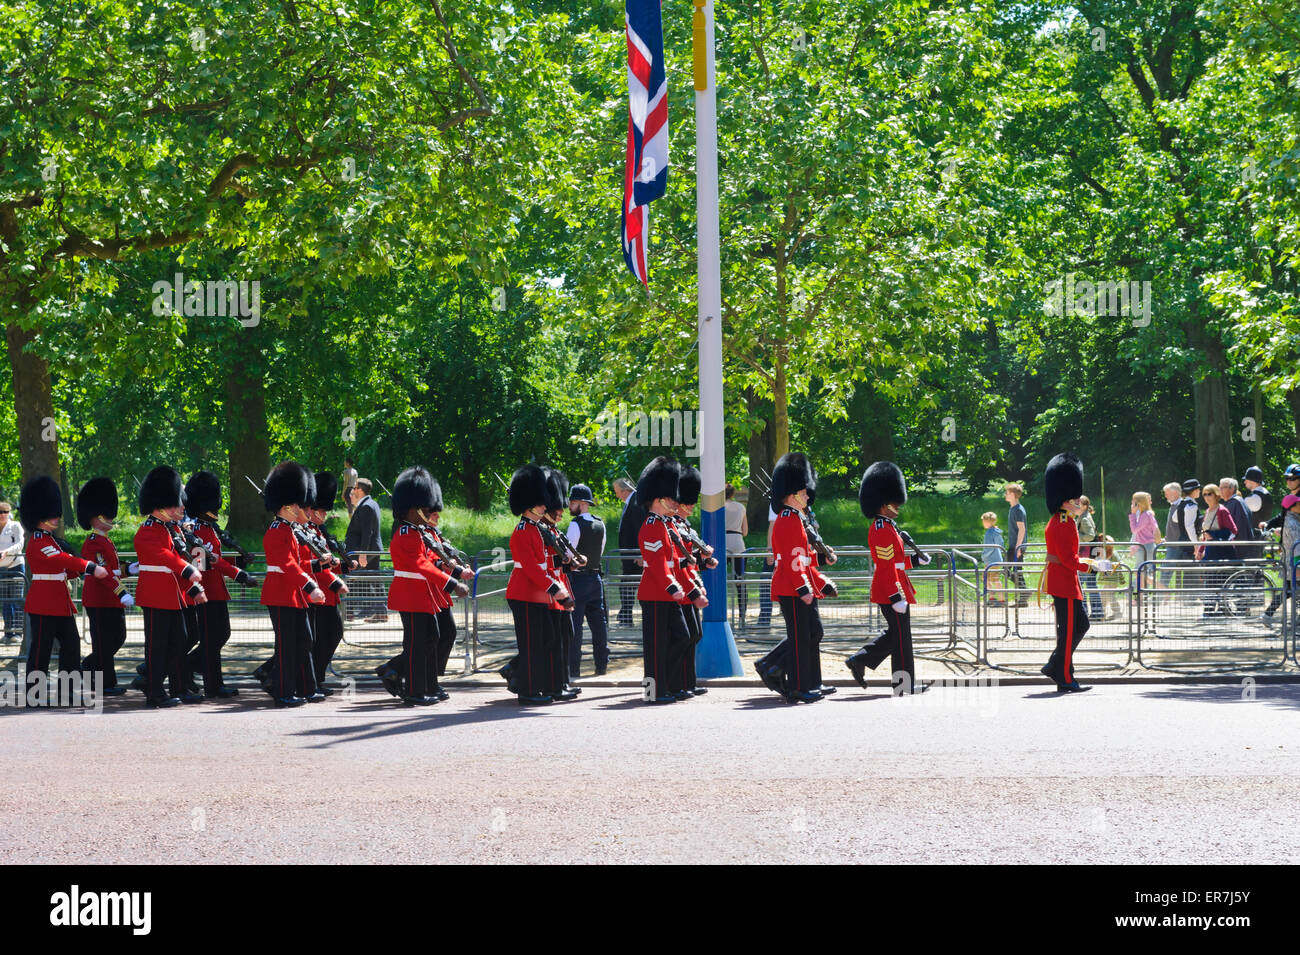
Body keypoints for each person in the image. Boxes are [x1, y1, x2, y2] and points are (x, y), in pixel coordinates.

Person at [19, 475, 111, 704]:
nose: (57, 517)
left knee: (71, 645)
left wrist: (76, 569)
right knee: (41, 650)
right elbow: (60, 559)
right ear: (41, 515)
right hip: (43, 602)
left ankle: (67, 691)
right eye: (53, 513)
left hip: (59, 602)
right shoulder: (38, 541)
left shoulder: (50, 539)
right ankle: (34, 694)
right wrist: (88, 566)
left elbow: (63, 566)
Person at [846, 461, 929, 694]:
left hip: (894, 588)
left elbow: (896, 562)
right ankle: (903, 685)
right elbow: (884, 567)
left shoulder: (889, 526)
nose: (898, 507)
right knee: (901, 640)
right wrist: (895, 597)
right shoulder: (882, 528)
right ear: (883, 504)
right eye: (894, 503)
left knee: (898, 636)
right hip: (890, 591)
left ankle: (862, 660)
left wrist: (915, 561)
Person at [386, 466, 465, 705]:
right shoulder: (406, 533)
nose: (430, 513)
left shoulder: (417, 532)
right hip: (411, 595)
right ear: (413, 509)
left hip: (423, 595)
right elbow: (422, 565)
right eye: (425, 508)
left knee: (432, 639)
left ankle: (428, 685)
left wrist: (454, 570)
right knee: (417, 645)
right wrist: (452, 583)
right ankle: (414, 690)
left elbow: (430, 562)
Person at [756, 453, 832, 703]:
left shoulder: (796, 519)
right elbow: (790, 560)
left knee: (813, 634)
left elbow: (803, 557)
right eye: (804, 492)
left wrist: (823, 560)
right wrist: (803, 588)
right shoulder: (787, 520)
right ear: (792, 495)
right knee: (801, 640)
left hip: (801, 583)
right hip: (792, 587)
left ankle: (812, 682)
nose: (808, 496)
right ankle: (800, 687)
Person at [133, 466, 208, 707]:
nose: (182, 507)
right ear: (162, 503)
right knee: (157, 647)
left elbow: (178, 557)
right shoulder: (147, 530)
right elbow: (164, 555)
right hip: (155, 595)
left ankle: (177, 687)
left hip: (173, 594)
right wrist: (188, 570)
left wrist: (193, 587)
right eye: (176, 503)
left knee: (180, 640)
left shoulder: (168, 528)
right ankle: (154, 692)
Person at [183, 470, 257, 698]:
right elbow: (204, 562)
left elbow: (215, 558)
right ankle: (211, 684)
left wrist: (239, 560)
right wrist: (239, 573)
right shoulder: (195, 530)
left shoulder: (209, 528)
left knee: (219, 635)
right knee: (212, 638)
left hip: (216, 589)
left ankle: (188, 668)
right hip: (205, 590)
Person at [260, 461, 327, 707]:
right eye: (298, 503)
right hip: (280, 594)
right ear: (288, 505)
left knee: (304, 641)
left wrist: (315, 574)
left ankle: (300, 686)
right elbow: (287, 565)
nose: (302, 508)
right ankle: (283, 692)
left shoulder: (290, 529)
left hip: (292, 593)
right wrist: (312, 587)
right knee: (287, 647)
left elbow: (299, 564)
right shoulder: (277, 530)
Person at [636, 456, 699, 704]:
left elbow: (673, 560)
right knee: (654, 649)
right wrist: (673, 585)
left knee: (682, 638)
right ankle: (652, 692)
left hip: (668, 593)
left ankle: (668, 684)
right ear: (658, 498)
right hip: (655, 593)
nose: (675, 501)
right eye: (670, 498)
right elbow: (657, 563)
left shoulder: (664, 524)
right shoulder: (651, 525)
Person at [503, 464, 567, 704]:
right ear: (528, 503)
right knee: (531, 646)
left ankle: (533, 685)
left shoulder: (536, 529)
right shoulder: (522, 530)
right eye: (540, 502)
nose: (544, 505)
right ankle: (527, 692)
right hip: (524, 593)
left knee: (546, 641)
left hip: (537, 594)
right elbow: (531, 568)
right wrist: (556, 590)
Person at [1038, 452, 1098, 693]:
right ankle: (1063, 675)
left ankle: (1056, 665)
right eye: (1074, 498)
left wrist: (1081, 562)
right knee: (1072, 629)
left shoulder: (1061, 519)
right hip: (1064, 581)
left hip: (1063, 580)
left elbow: (1066, 557)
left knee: (1078, 625)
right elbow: (1069, 560)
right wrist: (1091, 565)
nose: (1077, 502)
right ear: (1064, 500)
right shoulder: (1064, 522)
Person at [76, 477, 134, 696]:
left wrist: (131, 569)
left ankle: (89, 666)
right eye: (106, 515)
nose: (110, 519)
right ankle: (104, 684)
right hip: (100, 598)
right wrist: (122, 592)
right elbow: (103, 574)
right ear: (96, 518)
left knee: (118, 637)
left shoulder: (106, 540)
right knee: (103, 641)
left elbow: (114, 570)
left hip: (111, 597)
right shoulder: (92, 542)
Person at [670, 465, 718, 698]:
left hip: (689, 584)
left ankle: (688, 681)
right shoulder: (672, 526)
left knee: (695, 635)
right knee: (686, 636)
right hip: (681, 588)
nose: (691, 505)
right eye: (687, 501)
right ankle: (678, 682)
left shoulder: (684, 526)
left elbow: (688, 560)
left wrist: (703, 563)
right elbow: (675, 561)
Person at [304, 472, 349, 696]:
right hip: (316, 591)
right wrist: (334, 581)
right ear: (310, 510)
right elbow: (310, 565)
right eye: (321, 510)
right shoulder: (305, 532)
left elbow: (325, 562)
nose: (324, 514)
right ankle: (310, 680)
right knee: (320, 637)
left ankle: (317, 679)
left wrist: (343, 567)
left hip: (325, 591)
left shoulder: (317, 532)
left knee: (324, 637)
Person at [566, 482, 609, 677]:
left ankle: (574, 668)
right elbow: (599, 551)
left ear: (581, 503)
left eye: (572, 501)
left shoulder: (575, 525)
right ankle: (601, 666)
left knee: (575, 627)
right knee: (599, 626)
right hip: (595, 579)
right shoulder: (600, 523)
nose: (569, 505)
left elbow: (567, 554)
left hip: (578, 580)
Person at [344, 477, 385, 621]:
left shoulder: (367, 505)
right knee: (375, 580)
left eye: (355, 488)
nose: (353, 490)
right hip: (372, 549)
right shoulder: (371, 503)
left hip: (365, 550)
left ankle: (348, 611)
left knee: (352, 578)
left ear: (360, 490)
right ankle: (381, 613)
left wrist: (363, 553)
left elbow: (368, 532)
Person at [1259, 493, 1300, 623]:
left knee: (1288, 591)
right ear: (1292, 507)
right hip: (1294, 563)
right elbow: (1297, 547)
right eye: (1298, 503)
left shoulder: (1293, 519)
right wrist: (1298, 565)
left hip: (1292, 562)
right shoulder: (1292, 523)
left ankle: (1268, 615)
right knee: (1289, 591)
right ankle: (1268, 615)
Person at [1197, 483, 1237, 616]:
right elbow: (1205, 534)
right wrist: (1200, 550)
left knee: (1218, 581)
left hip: (1222, 552)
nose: (1207, 497)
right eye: (1204, 494)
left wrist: (1214, 535)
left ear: (1216, 495)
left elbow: (1233, 531)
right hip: (1210, 552)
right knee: (1210, 581)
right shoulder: (1207, 512)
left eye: (1210, 494)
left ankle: (1219, 608)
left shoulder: (1222, 511)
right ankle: (1210, 609)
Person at [614, 477, 643, 628]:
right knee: (626, 584)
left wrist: (641, 553)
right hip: (630, 554)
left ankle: (626, 616)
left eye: (617, 491)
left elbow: (640, 529)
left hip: (634, 554)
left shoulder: (636, 503)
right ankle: (625, 614)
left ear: (625, 490)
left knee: (628, 585)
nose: (617, 495)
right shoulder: (632, 502)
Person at [724, 484, 749, 626]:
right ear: (733, 494)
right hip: (738, 543)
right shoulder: (741, 507)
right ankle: (742, 616)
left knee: (719, 580)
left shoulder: (718, 507)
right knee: (740, 580)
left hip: (722, 543)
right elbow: (745, 532)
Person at [0, 499, 24, 643]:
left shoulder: (15, 526)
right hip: (1, 568)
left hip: (16, 566)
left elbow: (20, 543)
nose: (2, 515)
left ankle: (18, 633)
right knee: (5, 600)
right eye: (0, 512)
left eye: (5, 512)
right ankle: (8, 632)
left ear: (9, 513)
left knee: (17, 599)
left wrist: (6, 552)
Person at [1077, 495, 1103, 619]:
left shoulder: (1085, 519)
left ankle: (1084, 612)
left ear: (1085, 506)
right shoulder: (1084, 517)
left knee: (1082, 585)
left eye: (1079, 504)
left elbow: (1090, 536)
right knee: (1091, 584)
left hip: (1086, 556)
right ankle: (1097, 612)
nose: (1077, 506)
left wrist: (1077, 535)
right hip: (1090, 556)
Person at [1004, 482, 1029, 607]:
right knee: (1012, 571)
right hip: (1014, 545)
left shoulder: (1018, 510)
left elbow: (1022, 529)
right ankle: (1024, 595)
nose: (1005, 495)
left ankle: (1024, 593)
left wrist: (1018, 547)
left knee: (1010, 570)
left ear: (1013, 495)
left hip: (1017, 546)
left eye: (1007, 493)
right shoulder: (1013, 508)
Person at [1157, 482, 1184, 590]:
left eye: (1167, 493)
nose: (1165, 496)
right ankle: (1161, 594)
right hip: (1172, 543)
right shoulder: (1174, 505)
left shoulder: (1181, 506)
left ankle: (1160, 595)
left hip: (1176, 545)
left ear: (1175, 492)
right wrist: (1167, 539)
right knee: (1165, 569)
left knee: (1166, 570)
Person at [1261, 464, 1300, 536]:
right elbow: (1283, 515)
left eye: (1292, 478)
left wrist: (1284, 529)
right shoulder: (1291, 497)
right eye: (1287, 478)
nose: (1288, 481)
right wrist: (1268, 523)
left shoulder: (1297, 500)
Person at [1218, 477, 1251, 560]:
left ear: (1232, 489)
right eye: (1219, 487)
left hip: (1237, 547)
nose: (1219, 490)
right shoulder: (1237, 501)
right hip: (1240, 546)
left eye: (1222, 487)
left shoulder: (1235, 503)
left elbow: (1237, 526)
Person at [1241, 466, 1272, 542]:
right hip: (1261, 536)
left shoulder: (1254, 497)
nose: (1244, 482)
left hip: (1253, 538)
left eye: (1246, 480)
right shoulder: (1265, 493)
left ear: (1252, 481)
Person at [980, 512, 1004, 605]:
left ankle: (1000, 600)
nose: (982, 523)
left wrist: (983, 556)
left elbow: (989, 547)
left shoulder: (989, 532)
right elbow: (1001, 544)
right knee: (987, 578)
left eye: (983, 521)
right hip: (995, 559)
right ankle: (992, 598)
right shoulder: (996, 531)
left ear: (987, 522)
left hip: (991, 560)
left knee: (994, 579)